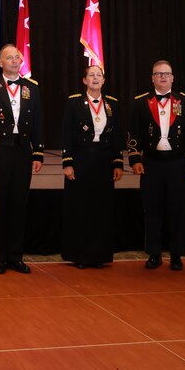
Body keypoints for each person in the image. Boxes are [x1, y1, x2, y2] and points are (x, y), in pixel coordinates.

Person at [0, 44, 44, 274]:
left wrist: (38, 153)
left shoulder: (32, 87)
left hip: (22, 151)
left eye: (17, 57)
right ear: (0, 62)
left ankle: (15, 256)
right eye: (9, 58)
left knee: (18, 205)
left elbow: (38, 122)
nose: (14, 61)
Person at [128, 60, 185, 271]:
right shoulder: (140, 102)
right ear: (152, 78)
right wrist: (135, 159)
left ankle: (176, 254)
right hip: (151, 164)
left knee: (178, 210)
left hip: (178, 164)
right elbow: (133, 133)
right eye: (158, 74)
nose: (162, 77)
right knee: (152, 210)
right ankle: (154, 253)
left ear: (172, 78)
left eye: (166, 73)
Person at [61, 65, 124, 269]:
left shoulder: (112, 104)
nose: (95, 78)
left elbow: (117, 136)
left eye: (99, 75)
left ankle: (99, 255)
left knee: (101, 209)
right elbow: (66, 133)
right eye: (91, 75)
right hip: (81, 159)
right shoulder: (74, 103)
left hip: (104, 161)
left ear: (104, 80)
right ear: (84, 80)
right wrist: (68, 162)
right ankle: (80, 255)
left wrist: (118, 162)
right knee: (81, 208)